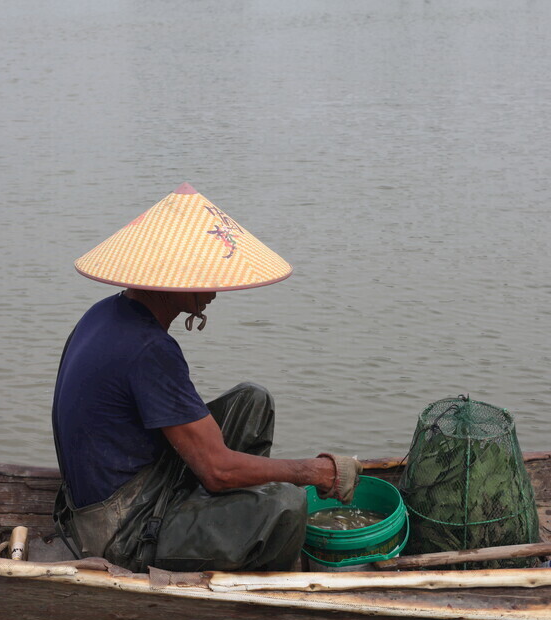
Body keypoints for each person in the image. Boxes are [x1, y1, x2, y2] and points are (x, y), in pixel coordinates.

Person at [52, 183, 362, 573]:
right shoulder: (149, 350)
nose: (216, 287)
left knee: (252, 401)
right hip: (120, 529)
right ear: (174, 280)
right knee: (286, 504)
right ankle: (263, 583)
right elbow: (218, 472)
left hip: (130, 484)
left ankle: (224, 521)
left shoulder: (104, 313)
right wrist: (311, 471)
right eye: (206, 275)